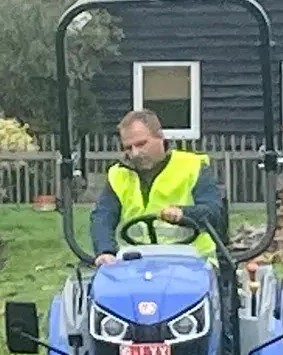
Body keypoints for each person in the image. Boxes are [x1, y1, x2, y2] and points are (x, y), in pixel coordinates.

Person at [91, 109, 226, 266]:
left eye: (141, 144)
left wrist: (183, 214)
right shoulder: (118, 175)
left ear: (160, 137)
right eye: (128, 147)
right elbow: (103, 216)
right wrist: (105, 250)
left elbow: (214, 212)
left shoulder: (192, 167)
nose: (135, 153)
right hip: (137, 262)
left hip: (192, 263)